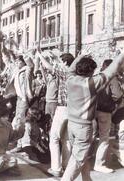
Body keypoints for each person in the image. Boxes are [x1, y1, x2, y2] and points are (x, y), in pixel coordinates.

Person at [61, 52, 124, 181]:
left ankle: (87, 179)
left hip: (71, 124)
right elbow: (114, 68)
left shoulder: (70, 79)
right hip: (83, 127)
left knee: (82, 155)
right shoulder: (91, 83)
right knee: (78, 159)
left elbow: (71, 68)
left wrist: (80, 56)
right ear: (90, 72)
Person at [36, 50, 74, 176]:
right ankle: (66, 165)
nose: (59, 63)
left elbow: (49, 66)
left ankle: (56, 168)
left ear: (65, 62)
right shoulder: (76, 74)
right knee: (67, 139)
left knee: (54, 138)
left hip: (63, 108)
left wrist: (40, 55)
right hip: (73, 110)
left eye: (61, 61)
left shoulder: (65, 72)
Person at [94, 59, 123, 173]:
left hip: (94, 110)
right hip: (106, 111)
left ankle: (85, 160)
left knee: (91, 137)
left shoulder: (99, 77)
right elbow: (117, 95)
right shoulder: (112, 78)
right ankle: (99, 164)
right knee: (104, 138)